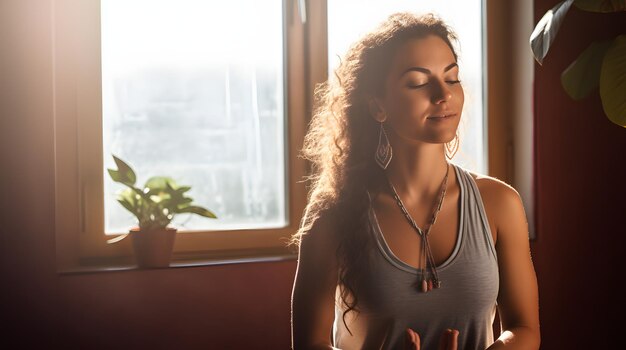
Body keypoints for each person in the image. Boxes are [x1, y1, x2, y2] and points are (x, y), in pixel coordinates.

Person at [290, 12, 540, 350]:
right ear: (377, 105)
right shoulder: (334, 214)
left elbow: (524, 328)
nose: (443, 94)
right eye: (418, 82)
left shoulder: (499, 203)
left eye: (451, 78)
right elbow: (309, 344)